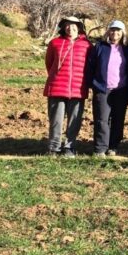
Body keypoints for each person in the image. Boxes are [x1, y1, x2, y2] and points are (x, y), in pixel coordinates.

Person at [43, 16, 93, 157]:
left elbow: (90, 66)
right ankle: (54, 147)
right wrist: (56, 77)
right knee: (56, 120)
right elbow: (49, 63)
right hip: (57, 87)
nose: (70, 29)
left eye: (73, 26)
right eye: (67, 26)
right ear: (63, 27)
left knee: (74, 121)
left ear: (79, 27)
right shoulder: (55, 43)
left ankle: (69, 147)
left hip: (78, 88)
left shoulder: (87, 45)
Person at [88, 20, 128, 157]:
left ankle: (113, 146)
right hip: (103, 89)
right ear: (108, 32)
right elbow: (91, 66)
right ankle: (100, 148)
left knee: (118, 118)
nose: (115, 33)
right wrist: (93, 84)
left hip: (121, 90)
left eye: (118, 31)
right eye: (113, 30)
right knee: (101, 119)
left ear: (123, 33)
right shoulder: (99, 47)